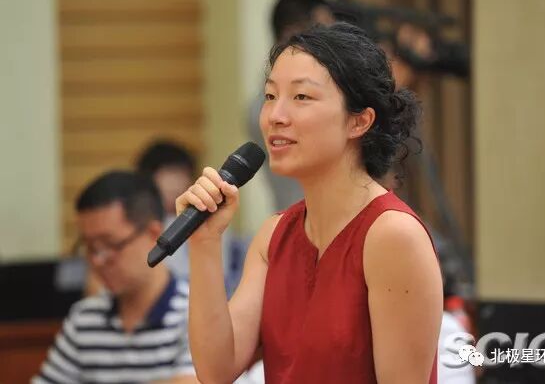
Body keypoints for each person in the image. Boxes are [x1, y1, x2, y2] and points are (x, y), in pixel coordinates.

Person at [181, 23, 443, 383]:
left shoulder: (393, 235)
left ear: (359, 121)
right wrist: (205, 242)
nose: (275, 116)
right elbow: (216, 369)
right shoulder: (274, 235)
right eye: (270, 96)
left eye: (301, 97)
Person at [32, 171, 196, 384]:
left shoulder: (194, 311)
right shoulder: (84, 318)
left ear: (154, 234)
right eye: (90, 248)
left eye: (109, 245)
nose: (97, 260)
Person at [248, 0, 335, 212]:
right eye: (325, 32)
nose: (334, 45)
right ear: (293, 33)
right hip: (303, 221)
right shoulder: (266, 111)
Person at [136, 140, 197, 278]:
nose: (176, 184)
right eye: (169, 173)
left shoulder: (206, 222)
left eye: (182, 174)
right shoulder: (136, 226)